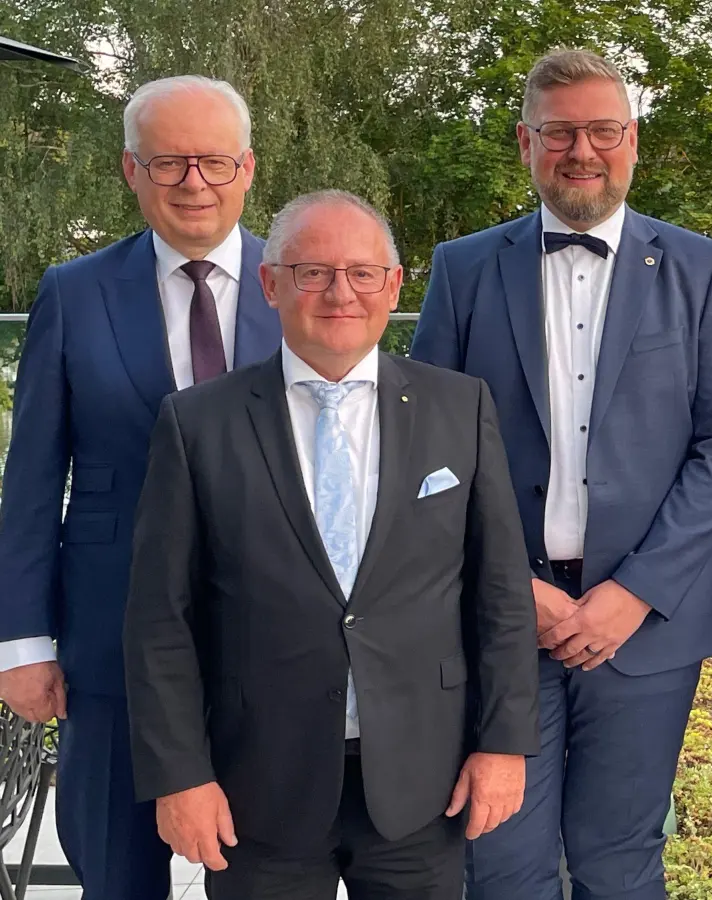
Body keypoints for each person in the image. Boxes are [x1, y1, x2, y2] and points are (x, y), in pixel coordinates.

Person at [409, 48, 712, 899]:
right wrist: (510, 589)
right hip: (501, 624)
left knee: (619, 860)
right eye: (559, 132)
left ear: (632, 140)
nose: (582, 151)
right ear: (525, 142)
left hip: (646, 628)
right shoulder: (463, 269)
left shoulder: (700, 266)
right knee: (501, 863)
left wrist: (631, 592)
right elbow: (425, 445)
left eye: (603, 130)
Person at [121, 190, 540, 898]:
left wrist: (503, 743)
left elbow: (498, 592)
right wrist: (180, 775)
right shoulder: (198, 424)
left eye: (362, 272)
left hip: (422, 783)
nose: (340, 292)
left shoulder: (460, 408)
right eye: (312, 272)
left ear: (394, 285)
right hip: (259, 786)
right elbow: (161, 619)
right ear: (270, 283)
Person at [0, 75, 281, 899]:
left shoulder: (300, 283)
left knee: (263, 873)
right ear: (132, 171)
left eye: (214, 161)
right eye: (168, 162)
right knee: (116, 875)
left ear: (248, 169)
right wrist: (23, 643)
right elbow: (32, 480)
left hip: (272, 649)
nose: (194, 181)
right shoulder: (74, 292)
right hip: (109, 642)